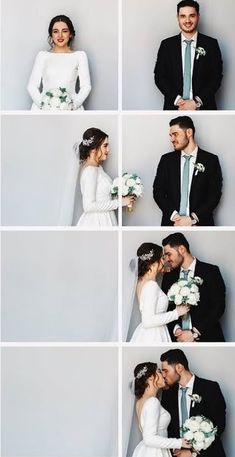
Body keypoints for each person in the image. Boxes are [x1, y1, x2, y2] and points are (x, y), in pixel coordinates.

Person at [153, 116, 223, 226]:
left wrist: (192, 218)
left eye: (175, 134)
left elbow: (214, 195)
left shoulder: (211, 160)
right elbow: (158, 191)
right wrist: (174, 216)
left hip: (201, 224)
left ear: (189, 132)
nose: (172, 139)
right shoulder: (166, 160)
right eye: (171, 135)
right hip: (171, 223)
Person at [154, 0, 223, 110]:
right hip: (174, 107)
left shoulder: (211, 44)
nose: (187, 20)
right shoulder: (166, 45)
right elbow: (160, 77)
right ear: (178, 17)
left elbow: (216, 77)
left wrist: (196, 102)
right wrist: (178, 101)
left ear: (198, 17)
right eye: (183, 16)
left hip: (204, 108)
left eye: (192, 16)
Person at [161, 349, 226, 457]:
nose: (163, 375)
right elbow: (167, 428)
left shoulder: (210, 388)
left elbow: (219, 426)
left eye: (166, 371)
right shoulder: (168, 394)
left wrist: (193, 452)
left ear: (179, 367)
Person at [162, 233, 225, 342]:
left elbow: (218, 307)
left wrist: (194, 333)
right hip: (177, 339)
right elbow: (165, 307)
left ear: (182, 249)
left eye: (169, 254)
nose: (167, 259)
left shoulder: (211, 271)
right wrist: (176, 330)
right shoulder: (168, 276)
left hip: (207, 337)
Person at [27, 15, 91, 110]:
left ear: (70, 34)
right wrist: (43, 105)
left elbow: (86, 86)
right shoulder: (42, 56)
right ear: (51, 35)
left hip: (70, 108)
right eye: (55, 31)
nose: (60, 35)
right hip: (43, 109)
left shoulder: (80, 56)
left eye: (64, 31)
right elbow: (31, 86)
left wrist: (74, 105)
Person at [130, 243, 189, 343]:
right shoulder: (151, 285)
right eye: (162, 258)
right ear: (153, 262)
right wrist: (176, 313)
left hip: (149, 332)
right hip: (154, 334)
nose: (165, 261)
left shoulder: (141, 282)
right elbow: (148, 321)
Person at [131, 362, 191, 457]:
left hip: (147, 450)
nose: (163, 375)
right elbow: (149, 438)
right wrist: (179, 443)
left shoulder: (140, 401)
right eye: (159, 371)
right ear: (151, 377)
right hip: (155, 452)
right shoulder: (153, 402)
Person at [77, 128, 135, 226]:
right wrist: (119, 202)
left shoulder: (98, 167)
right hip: (97, 221)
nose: (108, 150)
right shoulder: (90, 171)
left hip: (105, 217)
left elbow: (102, 196)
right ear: (94, 149)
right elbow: (88, 206)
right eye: (105, 146)